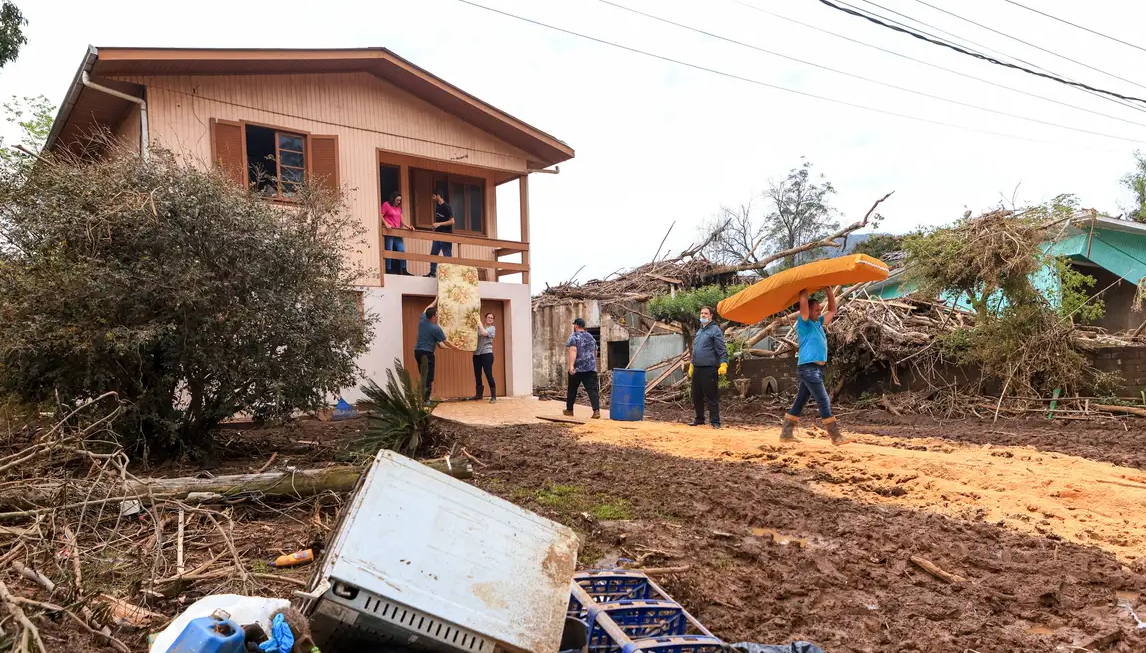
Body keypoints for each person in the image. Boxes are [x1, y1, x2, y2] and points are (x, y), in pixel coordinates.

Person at [780, 287, 847, 445]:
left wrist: (829, 291)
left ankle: (786, 433)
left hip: (816, 368)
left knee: (801, 400)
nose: (819, 312)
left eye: (819, 309)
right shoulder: (804, 323)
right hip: (808, 368)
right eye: (816, 310)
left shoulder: (818, 322)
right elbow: (803, 303)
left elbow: (832, 309)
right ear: (808, 311)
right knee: (823, 400)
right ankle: (835, 436)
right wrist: (803, 288)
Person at [687, 306, 728, 429]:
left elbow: (721, 349)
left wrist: (723, 363)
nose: (703, 315)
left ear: (711, 316)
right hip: (697, 368)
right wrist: (692, 364)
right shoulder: (699, 331)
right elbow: (696, 350)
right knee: (696, 395)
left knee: (711, 396)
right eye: (701, 313)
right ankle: (699, 419)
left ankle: (715, 421)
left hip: (709, 368)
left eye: (706, 313)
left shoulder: (715, 330)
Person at [413, 298, 456, 402]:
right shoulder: (435, 328)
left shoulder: (422, 320)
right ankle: (426, 399)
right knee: (428, 376)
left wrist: (436, 300)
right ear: (433, 317)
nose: (437, 316)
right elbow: (445, 342)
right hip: (427, 354)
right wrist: (456, 348)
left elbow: (426, 308)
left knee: (423, 375)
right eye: (436, 314)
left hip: (417, 352)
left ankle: (423, 397)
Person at [563, 318, 601, 419]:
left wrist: (571, 366)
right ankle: (596, 411)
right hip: (590, 368)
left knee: (572, 389)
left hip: (578, 368)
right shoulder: (591, 337)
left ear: (576, 325)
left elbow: (573, 350)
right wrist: (592, 364)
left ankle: (569, 410)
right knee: (593, 390)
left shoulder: (574, 336)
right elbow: (595, 352)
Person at [381, 191, 411, 276]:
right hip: (390, 231)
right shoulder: (386, 205)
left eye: (400, 200)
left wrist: (408, 227)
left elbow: (402, 220)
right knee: (389, 250)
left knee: (401, 250)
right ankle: (388, 269)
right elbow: (380, 215)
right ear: (393, 199)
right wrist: (386, 223)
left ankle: (404, 269)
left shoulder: (399, 209)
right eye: (397, 200)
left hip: (397, 231)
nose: (398, 202)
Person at [426, 190, 455, 277]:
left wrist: (439, 224)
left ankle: (450, 275)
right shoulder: (437, 206)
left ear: (438, 196)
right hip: (437, 234)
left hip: (446, 234)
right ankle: (432, 273)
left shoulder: (447, 207)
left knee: (447, 254)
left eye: (433, 196)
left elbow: (452, 221)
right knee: (434, 253)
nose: (432, 198)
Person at [472, 312, 497, 403]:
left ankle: (493, 396)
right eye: (488, 317)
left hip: (487, 354)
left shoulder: (492, 328)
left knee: (488, 374)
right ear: (485, 318)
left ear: (493, 320)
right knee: (477, 374)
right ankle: (479, 395)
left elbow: (484, 333)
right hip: (477, 354)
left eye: (492, 318)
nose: (490, 319)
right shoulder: (479, 328)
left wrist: (478, 322)